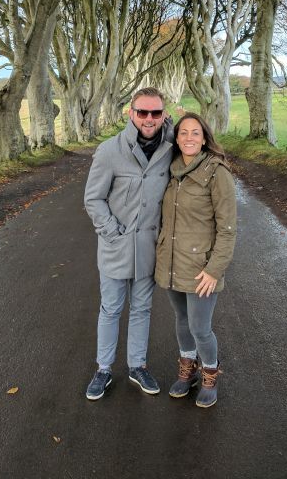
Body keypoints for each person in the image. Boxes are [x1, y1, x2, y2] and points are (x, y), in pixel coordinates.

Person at [83, 87, 174, 400]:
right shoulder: (109, 150)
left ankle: (137, 365)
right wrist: (112, 232)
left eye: (156, 113)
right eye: (142, 112)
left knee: (142, 309)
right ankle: (103, 369)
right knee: (111, 309)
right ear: (131, 113)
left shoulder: (170, 149)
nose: (149, 119)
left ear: (164, 115)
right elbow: (93, 199)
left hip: (149, 248)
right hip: (115, 247)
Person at [154, 112, 237, 408]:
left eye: (195, 133)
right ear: (176, 138)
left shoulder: (217, 172)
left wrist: (215, 269)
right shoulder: (170, 169)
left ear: (204, 139)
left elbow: (227, 229)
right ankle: (187, 370)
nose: (189, 138)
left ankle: (210, 374)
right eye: (184, 133)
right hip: (172, 263)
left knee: (200, 327)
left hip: (202, 269)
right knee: (182, 320)